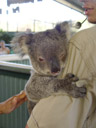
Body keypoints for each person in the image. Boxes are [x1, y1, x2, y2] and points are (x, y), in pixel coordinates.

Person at [25, 0, 96, 128]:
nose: (55, 67)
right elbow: (31, 89)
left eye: (62, 55)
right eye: (42, 59)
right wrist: (62, 85)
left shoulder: (80, 43)